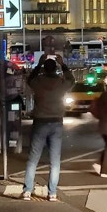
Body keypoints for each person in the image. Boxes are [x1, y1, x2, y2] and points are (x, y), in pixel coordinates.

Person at [22, 54, 75, 201]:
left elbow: (29, 79)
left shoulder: (38, 82)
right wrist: (63, 64)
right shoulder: (61, 82)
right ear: (55, 69)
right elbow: (72, 80)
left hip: (40, 121)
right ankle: (52, 193)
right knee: (55, 161)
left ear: (44, 69)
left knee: (33, 159)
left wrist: (38, 64)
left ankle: (27, 191)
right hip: (56, 122)